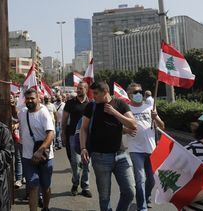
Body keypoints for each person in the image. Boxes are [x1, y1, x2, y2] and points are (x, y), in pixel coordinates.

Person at [80, 81, 137, 211]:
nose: (93, 96)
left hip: (121, 155)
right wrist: (83, 148)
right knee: (105, 197)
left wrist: (115, 113)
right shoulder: (91, 107)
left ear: (105, 92)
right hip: (100, 158)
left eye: (96, 93)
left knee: (129, 192)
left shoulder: (120, 104)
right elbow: (83, 129)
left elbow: (133, 125)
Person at [126, 83, 165, 211]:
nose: (138, 94)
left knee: (152, 180)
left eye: (139, 91)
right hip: (135, 150)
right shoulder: (127, 110)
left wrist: (156, 118)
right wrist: (126, 130)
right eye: (134, 92)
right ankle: (142, 207)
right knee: (140, 179)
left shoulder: (149, 107)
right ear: (129, 95)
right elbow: (119, 128)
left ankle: (146, 196)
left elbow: (162, 126)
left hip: (151, 149)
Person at [18, 88, 55, 211]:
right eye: (27, 98)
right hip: (28, 157)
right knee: (33, 186)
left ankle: (46, 207)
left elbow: (51, 134)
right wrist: (13, 106)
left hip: (44, 157)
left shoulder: (44, 113)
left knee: (45, 186)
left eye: (32, 98)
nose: (29, 101)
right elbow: (15, 116)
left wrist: (40, 150)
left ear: (38, 99)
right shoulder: (23, 112)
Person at [61, 82, 92, 197]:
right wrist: (63, 134)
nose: (78, 90)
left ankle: (85, 186)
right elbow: (64, 120)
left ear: (86, 89)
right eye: (77, 88)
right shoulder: (70, 103)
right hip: (73, 136)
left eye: (81, 88)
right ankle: (75, 183)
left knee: (86, 163)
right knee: (75, 162)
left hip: (87, 137)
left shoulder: (91, 104)